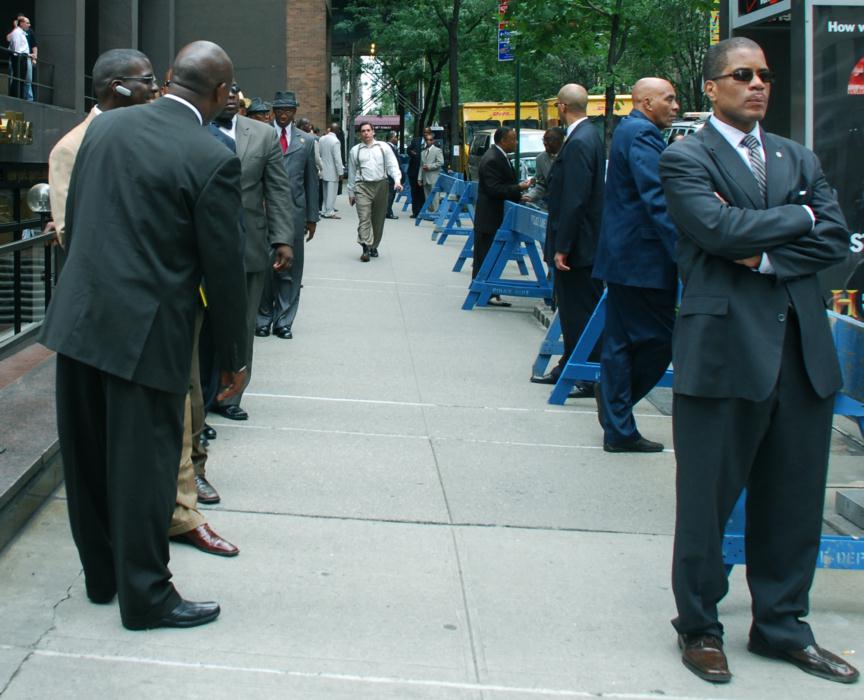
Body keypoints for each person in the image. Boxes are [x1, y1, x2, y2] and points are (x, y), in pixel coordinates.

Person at [660, 37, 858, 685]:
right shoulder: (686, 157)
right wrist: (797, 216)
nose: (757, 84)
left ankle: (782, 625)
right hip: (724, 354)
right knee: (706, 502)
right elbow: (714, 231)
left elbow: (833, 238)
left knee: (794, 503)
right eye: (742, 74)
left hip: (802, 356)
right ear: (711, 86)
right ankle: (699, 626)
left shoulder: (797, 157)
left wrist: (763, 250)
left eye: (764, 75)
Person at [40, 40, 249, 630]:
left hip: (79, 322)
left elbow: (80, 222)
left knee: (87, 461)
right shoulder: (211, 156)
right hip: (147, 335)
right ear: (218, 92)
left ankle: (102, 578)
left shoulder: (104, 129)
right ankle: (147, 596)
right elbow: (223, 269)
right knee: (145, 469)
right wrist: (234, 356)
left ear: (172, 77)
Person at [591, 78, 680, 453]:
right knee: (660, 340)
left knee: (621, 343)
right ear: (646, 102)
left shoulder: (629, 130)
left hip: (626, 257)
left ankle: (617, 420)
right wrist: (683, 251)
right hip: (642, 260)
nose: (675, 106)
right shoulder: (643, 134)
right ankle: (616, 407)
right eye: (669, 99)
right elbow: (657, 197)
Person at [532, 84, 604, 397]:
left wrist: (563, 246)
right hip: (582, 241)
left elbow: (575, 198)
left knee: (579, 310)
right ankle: (571, 365)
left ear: (561, 107)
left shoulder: (579, 142)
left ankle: (586, 372)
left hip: (578, 245)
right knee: (575, 309)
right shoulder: (589, 137)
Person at [256, 90, 318, 341]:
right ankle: (263, 318)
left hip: (294, 213)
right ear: (273, 111)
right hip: (264, 211)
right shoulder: (262, 135)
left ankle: (284, 320)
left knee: (290, 269)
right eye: (280, 110)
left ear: (295, 111)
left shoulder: (306, 141)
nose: (284, 114)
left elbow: (311, 181)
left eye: (289, 110)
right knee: (264, 267)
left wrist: (312, 217)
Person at [473, 126, 531, 307]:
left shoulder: (499, 156)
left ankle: (486, 291)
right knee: (487, 253)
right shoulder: (492, 159)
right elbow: (494, 189)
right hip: (491, 216)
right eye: (513, 139)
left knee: (489, 254)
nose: (516, 142)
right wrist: (519, 188)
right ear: (503, 140)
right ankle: (486, 292)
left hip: (494, 214)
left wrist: (518, 195)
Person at [347, 121, 402, 262]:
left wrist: (397, 180)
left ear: (373, 132)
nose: (366, 133)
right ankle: (365, 247)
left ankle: (373, 246)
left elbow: (392, 165)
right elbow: (352, 173)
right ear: (360, 134)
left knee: (378, 219)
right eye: (363, 131)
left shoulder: (383, 147)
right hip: (362, 186)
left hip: (381, 185)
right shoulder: (355, 151)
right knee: (364, 217)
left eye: (368, 130)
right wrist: (351, 193)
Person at [522, 128, 564, 210]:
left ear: (559, 142)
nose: (546, 147)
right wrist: (530, 196)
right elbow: (541, 185)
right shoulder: (540, 159)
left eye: (550, 144)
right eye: (545, 144)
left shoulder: (570, 155)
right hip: (551, 206)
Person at [319, 125, 344, 218]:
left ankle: (324, 210)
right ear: (337, 130)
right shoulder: (335, 141)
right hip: (333, 171)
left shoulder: (322, 138)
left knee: (325, 192)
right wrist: (340, 172)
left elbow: (319, 154)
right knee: (332, 193)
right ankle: (330, 212)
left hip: (323, 169)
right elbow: (337, 159)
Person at [418, 128, 444, 213]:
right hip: (425, 178)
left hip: (434, 177)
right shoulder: (423, 152)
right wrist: (419, 178)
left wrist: (429, 167)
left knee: (435, 197)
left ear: (433, 141)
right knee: (427, 196)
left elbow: (441, 162)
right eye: (427, 140)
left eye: (430, 140)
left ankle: (435, 212)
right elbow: (421, 166)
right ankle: (429, 213)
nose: (428, 141)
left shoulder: (437, 150)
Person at [406, 129, 427, 217]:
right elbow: (408, 150)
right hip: (414, 171)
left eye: (428, 132)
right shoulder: (416, 140)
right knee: (414, 192)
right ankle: (416, 212)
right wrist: (413, 154)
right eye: (425, 132)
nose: (426, 134)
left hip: (425, 172)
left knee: (423, 192)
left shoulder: (433, 142)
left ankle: (423, 211)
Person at [385, 130, 401, 219]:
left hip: (391, 174)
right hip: (390, 175)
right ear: (391, 138)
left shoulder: (391, 147)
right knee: (390, 194)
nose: (397, 139)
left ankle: (388, 211)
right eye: (395, 137)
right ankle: (388, 212)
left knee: (391, 194)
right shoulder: (389, 147)